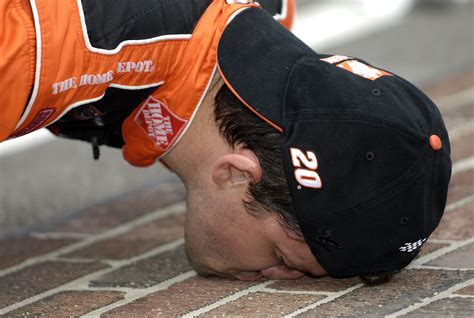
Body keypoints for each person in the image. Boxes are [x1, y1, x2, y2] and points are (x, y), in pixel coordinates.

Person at [0, 0, 451, 284]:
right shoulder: (29, 46)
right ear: (237, 172)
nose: (275, 278)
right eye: (282, 257)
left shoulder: (266, 18)